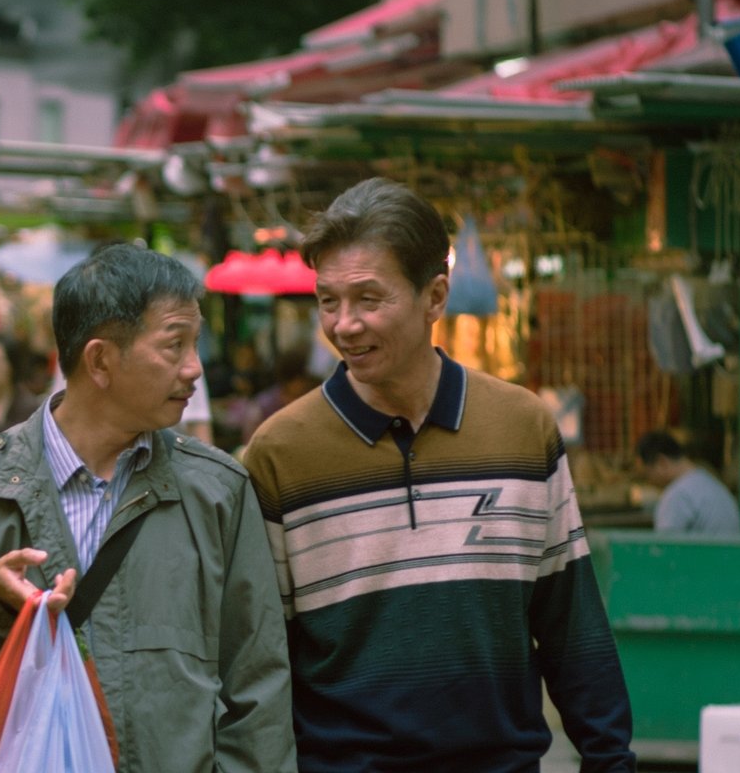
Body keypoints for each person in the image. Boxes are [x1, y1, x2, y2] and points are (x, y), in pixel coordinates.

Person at [243, 178, 634, 772]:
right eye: (328, 301)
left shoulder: (522, 429)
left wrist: (610, 759)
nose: (344, 325)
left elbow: (570, 625)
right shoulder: (279, 454)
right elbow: (260, 661)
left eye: (369, 300)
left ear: (435, 297)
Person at [0, 244, 295, 771]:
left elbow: (258, 688)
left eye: (196, 344)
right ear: (99, 360)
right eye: (174, 346)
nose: (194, 369)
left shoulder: (217, 491)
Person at [637, 430, 740, 534]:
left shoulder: (677, 495)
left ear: (662, 462)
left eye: (647, 474)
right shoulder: (710, 482)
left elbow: (665, 549)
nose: (649, 481)